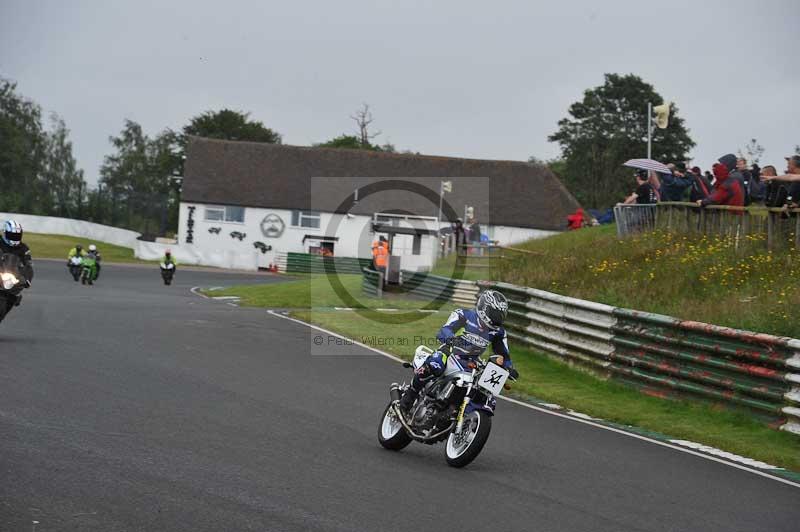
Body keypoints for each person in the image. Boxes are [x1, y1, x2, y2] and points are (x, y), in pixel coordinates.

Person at [398, 290, 519, 413]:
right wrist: (450, 338)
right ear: (484, 308)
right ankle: (409, 396)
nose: (497, 319)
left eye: (500, 315)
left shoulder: (499, 332)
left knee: (484, 390)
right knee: (435, 365)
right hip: (450, 352)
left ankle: (458, 412)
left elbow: (503, 354)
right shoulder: (464, 315)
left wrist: (509, 368)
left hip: (472, 362)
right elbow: (445, 330)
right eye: (495, 314)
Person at [0, 220, 34, 315]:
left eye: (16, 236)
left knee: (15, 295)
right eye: (12, 235)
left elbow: (29, 265)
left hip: (12, 277)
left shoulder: (24, 248)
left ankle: (14, 298)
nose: (14, 238)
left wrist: (28, 279)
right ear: (5, 233)